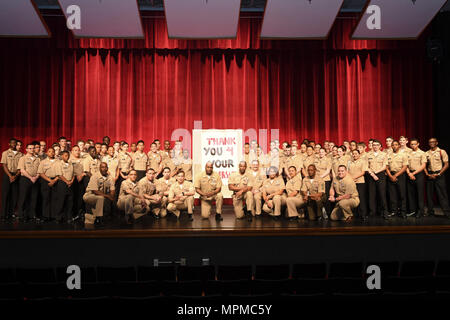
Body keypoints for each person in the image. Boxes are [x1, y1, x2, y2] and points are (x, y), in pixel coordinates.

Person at [424, 137, 450, 218]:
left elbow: (446, 164)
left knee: (442, 195)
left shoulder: (441, 152)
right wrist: (428, 174)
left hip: (439, 175)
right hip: (430, 175)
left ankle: (447, 212)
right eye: (430, 142)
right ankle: (430, 212)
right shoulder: (426, 153)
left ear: (436, 143)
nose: (431, 143)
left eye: (433, 142)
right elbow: (424, 165)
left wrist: (439, 174)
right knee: (429, 195)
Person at [16, 143, 41, 222]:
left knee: (34, 198)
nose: (32, 150)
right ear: (26, 149)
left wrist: (36, 177)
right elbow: (22, 170)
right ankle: (21, 215)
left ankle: (32, 215)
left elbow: (40, 170)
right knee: (23, 198)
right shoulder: (23, 158)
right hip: (25, 179)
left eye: (33, 148)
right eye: (30, 148)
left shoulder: (38, 159)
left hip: (35, 180)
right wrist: (30, 177)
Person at [367, 140, 389, 219]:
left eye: (377, 145)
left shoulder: (384, 154)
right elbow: (367, 166)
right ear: (372, 146)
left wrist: (376, 172)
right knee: (371, 195)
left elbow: (384, 166)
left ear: (380, 146)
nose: (375, 146)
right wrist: (372, 174)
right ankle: (372, 212)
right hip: (371, 175)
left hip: (381, 175)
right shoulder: (368, 155)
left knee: (382, 194)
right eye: (374, 145)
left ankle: (384, 211)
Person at [1, 138, 22, 221]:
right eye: (12, 143)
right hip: (7, 175)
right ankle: (3, 215)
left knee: (14, 195)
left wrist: (15, 176)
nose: (13, 144)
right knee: (5, 195)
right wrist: (10, 175)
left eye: (15, 143)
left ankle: (11, 214)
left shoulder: (21, 154)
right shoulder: (5, 153)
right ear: (9, 144)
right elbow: (4, 165)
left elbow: (20, 167)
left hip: (16, 176)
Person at [386, 140, 408, 218]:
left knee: (402, 195)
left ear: (399, 145)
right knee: (392, 195)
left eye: (396, 145)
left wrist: (396, 175)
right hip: (391, 175)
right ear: (391, 146)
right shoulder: (388, 155)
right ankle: (394, 211)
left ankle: (403, 212)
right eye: (393, 145)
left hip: (400, 175)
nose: (394, 146)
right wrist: (390, 176)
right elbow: (387, 167)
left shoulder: (403, 155)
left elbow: (405, 166)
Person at [405, 138, 427, 218]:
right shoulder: (408, 153)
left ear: (418, 144)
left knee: (419, 193)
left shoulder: (422, 153)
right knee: (411, 194)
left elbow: (423, 165)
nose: (413, 145)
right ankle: (412, 210)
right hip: (410, 174)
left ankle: (420, 211)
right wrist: (409, 173)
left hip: (418, 174)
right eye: (411, 144)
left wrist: (413, 173)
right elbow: (406, 165)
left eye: (414, 144)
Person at [37, 147, 59, 221]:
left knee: (55, 199)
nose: (52, 153)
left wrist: (54, 180)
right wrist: (50, 180)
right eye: (50, 151)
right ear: (47, 153)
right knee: (46, 198)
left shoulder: (58, 161)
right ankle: (46, 216)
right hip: (46, 180)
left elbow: (60, 173)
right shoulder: (43, 162)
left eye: (53, 151)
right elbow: (40, 172)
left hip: (56, 181)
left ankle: (54, 215)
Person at [53, 150, 74, 223]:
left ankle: (68, 217)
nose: (67, 157)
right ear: (62, 156)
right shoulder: (59, 164)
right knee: (61, 201)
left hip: (70, 184)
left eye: (68, 155)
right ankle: (58, 217)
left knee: (69, 202)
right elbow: (59, 175)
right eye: (65, 155)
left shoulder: (70, 164)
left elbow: (73, 174)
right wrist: (67, 181)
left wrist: (71, 181)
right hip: (62, 183)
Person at [348, 149, 368, 221]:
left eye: (356, 153)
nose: (354, 155)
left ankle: (363, 214)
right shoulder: (349, 162)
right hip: (352, 182)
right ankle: (354, 214)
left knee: (361, 198)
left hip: (360, 182)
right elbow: (347, 172)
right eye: (353, 154)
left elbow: (363, 172)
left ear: (359, 154)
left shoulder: (363, 161)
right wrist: (351, 179)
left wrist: (354, 178)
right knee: (353, 198)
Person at [316, 148, 332, 218]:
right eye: (320, 152)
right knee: (319, 196)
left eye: (322, 152)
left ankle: (328, 212)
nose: (321, 153)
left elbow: (328, 170)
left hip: (325, 180)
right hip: (318, 181)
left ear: (325, 153)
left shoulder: (328, 160)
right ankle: (320, 213)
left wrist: (321, 177)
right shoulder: (316, 160)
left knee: (326, 196)